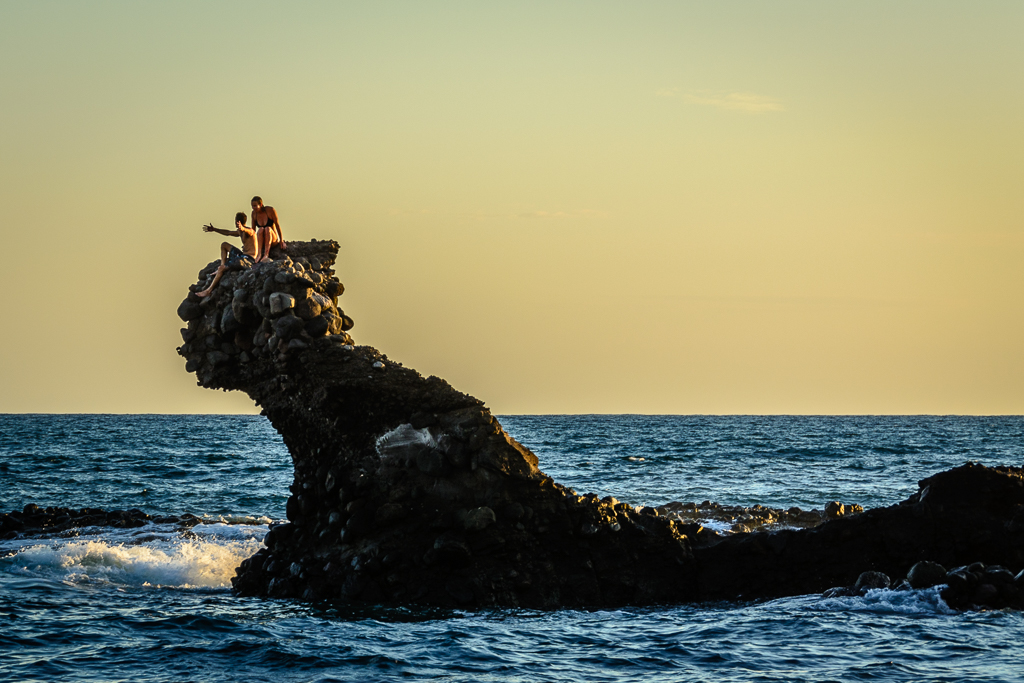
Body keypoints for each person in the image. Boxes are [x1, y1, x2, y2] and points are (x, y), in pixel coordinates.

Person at [196, 212, 257, 297]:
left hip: (249, 259)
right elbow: (228, 232)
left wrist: (242, 228)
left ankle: (208, 290)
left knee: (222, 269)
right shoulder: (240, 231)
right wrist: (215, 229)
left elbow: (249, 231)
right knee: (224, 245)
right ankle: (222, 265)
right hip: (242, 255)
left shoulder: (249, 231)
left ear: (237, 221)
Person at [251, 196, 285, 262]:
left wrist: (281, 240)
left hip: (272, 239)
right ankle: (259, 254)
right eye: (252, 206)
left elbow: (277, 225)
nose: (253, 208)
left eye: (255, 206)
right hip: (261, 240)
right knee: (261, 229)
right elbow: (253, 231)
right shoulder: (254, 214)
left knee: (267, 229)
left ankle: (266, 254)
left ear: (260, 205)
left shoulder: (270, 211)